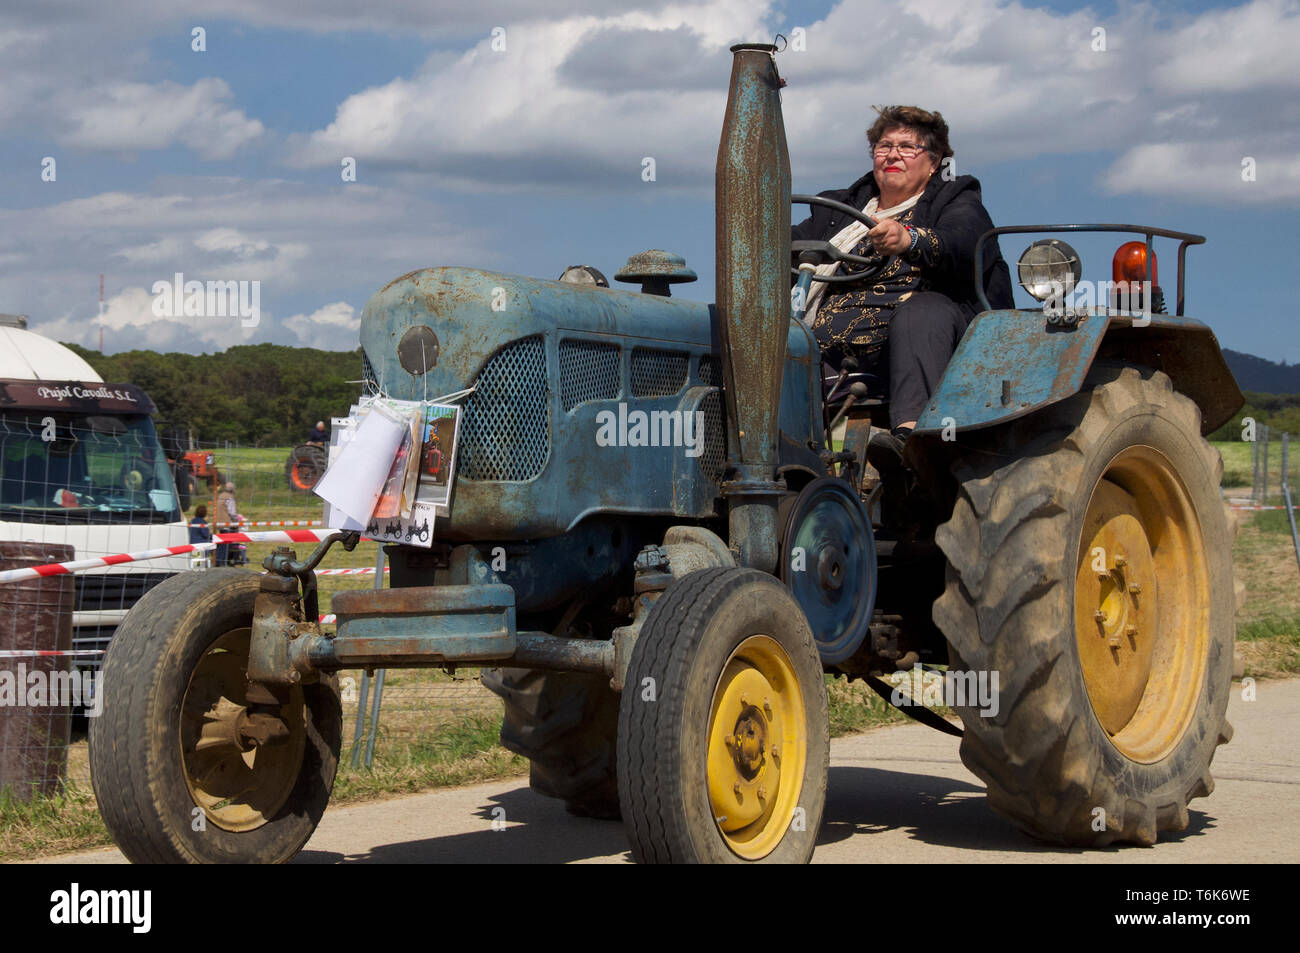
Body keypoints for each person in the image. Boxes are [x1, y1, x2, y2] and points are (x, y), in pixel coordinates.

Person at [792, 105, 1013, 453]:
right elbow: (792, 244)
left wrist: (910, 239)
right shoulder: (840, 210)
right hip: (831, 353)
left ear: (935, 160)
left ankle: (911, 442)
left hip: (918, 343)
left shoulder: (957, 198)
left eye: (908, 147)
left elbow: (966, 242)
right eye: (884, 146)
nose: (892, 154)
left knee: (921, 312)